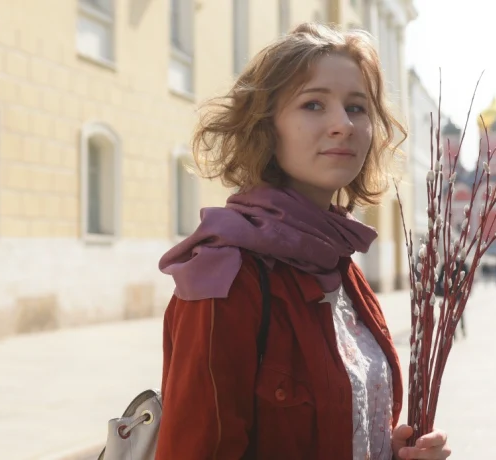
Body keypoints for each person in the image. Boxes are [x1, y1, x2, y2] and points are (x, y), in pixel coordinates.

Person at [155, 23, 451, 459]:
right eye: (313, 104)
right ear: (266, 126)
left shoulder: (339, 261)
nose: (343, 125)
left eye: (356, 107)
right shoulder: (225, 278)